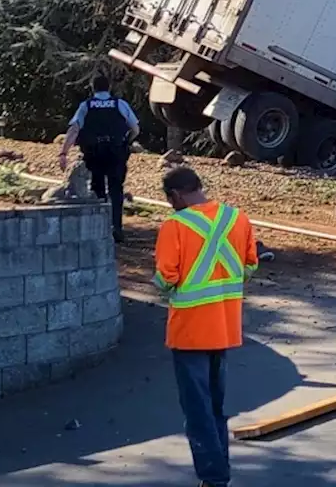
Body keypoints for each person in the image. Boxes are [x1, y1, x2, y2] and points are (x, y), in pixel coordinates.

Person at [154, 166, 259, 487]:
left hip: (189, 331)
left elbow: (166, 277)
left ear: (175, 195)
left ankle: (214, 478)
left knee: (197, 410)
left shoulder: (174, 225)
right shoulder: (236, 218)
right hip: (224, 328)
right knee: (215, 407)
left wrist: (164, 285)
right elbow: (250, 265)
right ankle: (217, 472)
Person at [59, 75, 139, 242]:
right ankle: (116, 228)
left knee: (98, 188)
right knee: (116, 189)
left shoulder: (86, 106)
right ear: (109, 87)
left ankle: (100, 228)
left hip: (94, 152)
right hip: (116, 152)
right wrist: (126, 141)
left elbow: (74, 129)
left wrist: (63, 152)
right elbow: (135, 128)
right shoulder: (120, 104)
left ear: (92, 88)